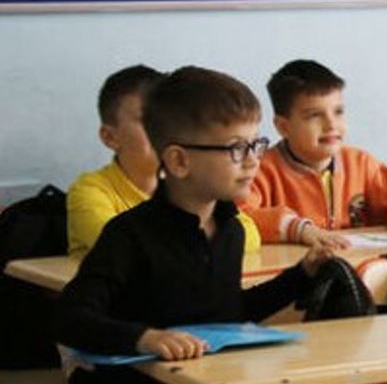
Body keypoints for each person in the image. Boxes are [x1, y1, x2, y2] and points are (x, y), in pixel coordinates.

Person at [53, 66, 332, 384]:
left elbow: (226, 313)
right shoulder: (129, 235)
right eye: (236, 148)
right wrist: (146, 337)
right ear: (179, 161)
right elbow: (70, 317)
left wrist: (302, 275)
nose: (254, 160)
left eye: (255, 144)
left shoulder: (230, 229)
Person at [241, 59, 387, 249]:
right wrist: (299, 230)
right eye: (314, 115)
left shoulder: (361, 164)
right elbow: (240, 217)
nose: (331, 124)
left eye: (338, 112)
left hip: (357, 268)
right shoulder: (260, 170)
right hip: (293, 272)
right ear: (283, 127)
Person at [67, 64, 262, 258]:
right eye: (148, 121)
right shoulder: (90, 191)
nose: (165, 131)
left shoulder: (192, 187)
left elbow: (249, 234)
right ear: (110, 137)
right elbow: (125, 248)